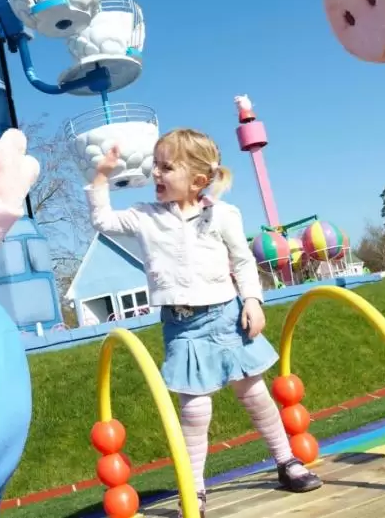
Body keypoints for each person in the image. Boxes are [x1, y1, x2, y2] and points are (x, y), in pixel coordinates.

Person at [85, 128, 322, 517]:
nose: (156, 174)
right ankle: (193, 489)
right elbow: (103, 221)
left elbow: (243, 262)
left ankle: (286, 461)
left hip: (227, 316)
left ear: (197, 179)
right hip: (183, 325)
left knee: (255, 394)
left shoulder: (222, 214)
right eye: (154, 166)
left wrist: (253, 301)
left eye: (166, 167)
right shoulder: (145, 217)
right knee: (195, 410)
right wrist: (101, 177)